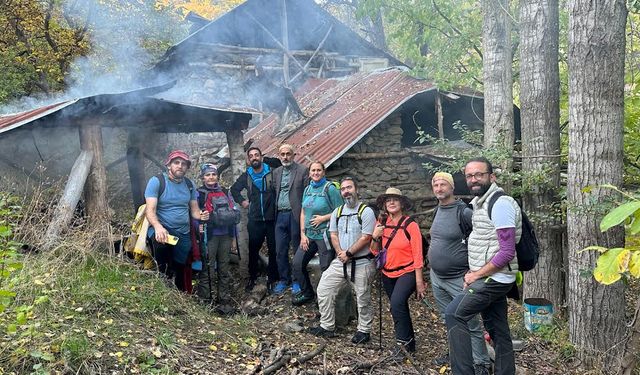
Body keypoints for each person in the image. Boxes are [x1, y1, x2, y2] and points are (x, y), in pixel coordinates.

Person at [445, 157, 521, 375]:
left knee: (454, 314)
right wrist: (475, 270)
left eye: (479, 174)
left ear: (491, 176)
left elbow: (506, 252)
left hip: (495, 278)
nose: (474, 179)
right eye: (469, 176)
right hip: (492, 276)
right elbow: (489, 243)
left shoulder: (500, 204)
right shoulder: (482, 202)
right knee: (498, 329)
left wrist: (476, 275)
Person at [429, 172, 491, 374]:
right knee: (449, 319)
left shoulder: (463, 212)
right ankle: (458, 354)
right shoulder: (437, 210)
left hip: (459, 279)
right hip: (438, 278)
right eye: (436, 185)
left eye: (443, 184)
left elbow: (483, 240)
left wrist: (473, 271)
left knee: (470, 321)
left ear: (452, 188)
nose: (439, 188)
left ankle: (481, 362)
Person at [307, 177, 375, 345]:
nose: (346, 191)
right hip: (341, 261)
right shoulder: (337, 212)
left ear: (356, 189)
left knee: (362, 297)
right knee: (324, 288)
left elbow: (367, 237)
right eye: (343, 189)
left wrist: (349, 253)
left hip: (361, 261)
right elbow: (333, 234)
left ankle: (364, 330)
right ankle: (327, 326)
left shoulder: (366, 212)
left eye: (349, 187)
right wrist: (340, 252)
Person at [370, 187, 426, 355]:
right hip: (387, 273)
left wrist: (419, 282)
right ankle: (408, 343)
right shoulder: (381, 223)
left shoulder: (411, 225)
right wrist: (375, 235)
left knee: (397, 303)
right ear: (385, 205)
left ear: (402, 203)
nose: (391, 202)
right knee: (397, 307)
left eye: (395, 199)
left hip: (407, 272)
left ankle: (402, 345)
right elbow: (374, 251)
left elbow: (418, 254)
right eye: (388, 200)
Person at [145, 150, 208, 292]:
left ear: (187, 167)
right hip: (163, 228)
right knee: (163, 259)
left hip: (183, 233)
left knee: (180, 266)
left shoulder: (189, 184)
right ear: (169, 165)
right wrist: (157, 227)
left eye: (183, 164)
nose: (180, 166)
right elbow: (150, 210)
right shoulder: (157, 181)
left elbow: (194, 211)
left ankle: (180, 296)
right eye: (176, 163)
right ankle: (161, 290)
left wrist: (202, 215)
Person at [291, 161, 342, 306]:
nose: (316, 173)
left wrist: (323, 218)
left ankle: (326, 300)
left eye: (319, 170)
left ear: (324, 172)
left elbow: (340, 211)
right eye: (313, 170)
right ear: (310, 173)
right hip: (309, 235)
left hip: (324, 236)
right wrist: (302, 234)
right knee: (297, 263)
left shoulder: (330, 189)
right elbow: (303, 212)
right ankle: (307, 293)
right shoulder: (307, 189)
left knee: (325, 268)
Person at [230, 147, 278, 292]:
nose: (254, 158)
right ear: (248, 160)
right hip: (255, 220)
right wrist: (243, 202)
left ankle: (273, 277)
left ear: (261, 157)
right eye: (251, 156)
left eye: (257, 155)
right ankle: (253, 277)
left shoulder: (272, 171)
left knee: (273, 249)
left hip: (271, 218)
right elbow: (234, 190)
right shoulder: (247, 175)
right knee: (253, 249)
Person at [195, 163, 240, 314]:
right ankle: (206, 300)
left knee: (224, 268)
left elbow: (233, 216)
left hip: (226, 236)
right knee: (207, 268)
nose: (211, 177)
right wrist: (198, 226)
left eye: (213, 174)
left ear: (217, 176)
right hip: (209, 236)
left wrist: (233, 237)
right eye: (207, 175)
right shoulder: (198, 194)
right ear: (202, 177)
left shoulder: (226, 192)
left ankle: (224, 300)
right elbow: (194, 214)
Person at [272, 144, 309, 294]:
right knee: (280, 249)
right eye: (283, 154)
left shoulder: (302, 171)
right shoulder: (276, 172)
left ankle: (296, 280)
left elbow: (306, 194)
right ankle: (283, 279)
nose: (285, 157)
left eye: (288, 154)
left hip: (295, 215)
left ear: (294, 155)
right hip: (280, 215)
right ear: (279, 156)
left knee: (297, 249)